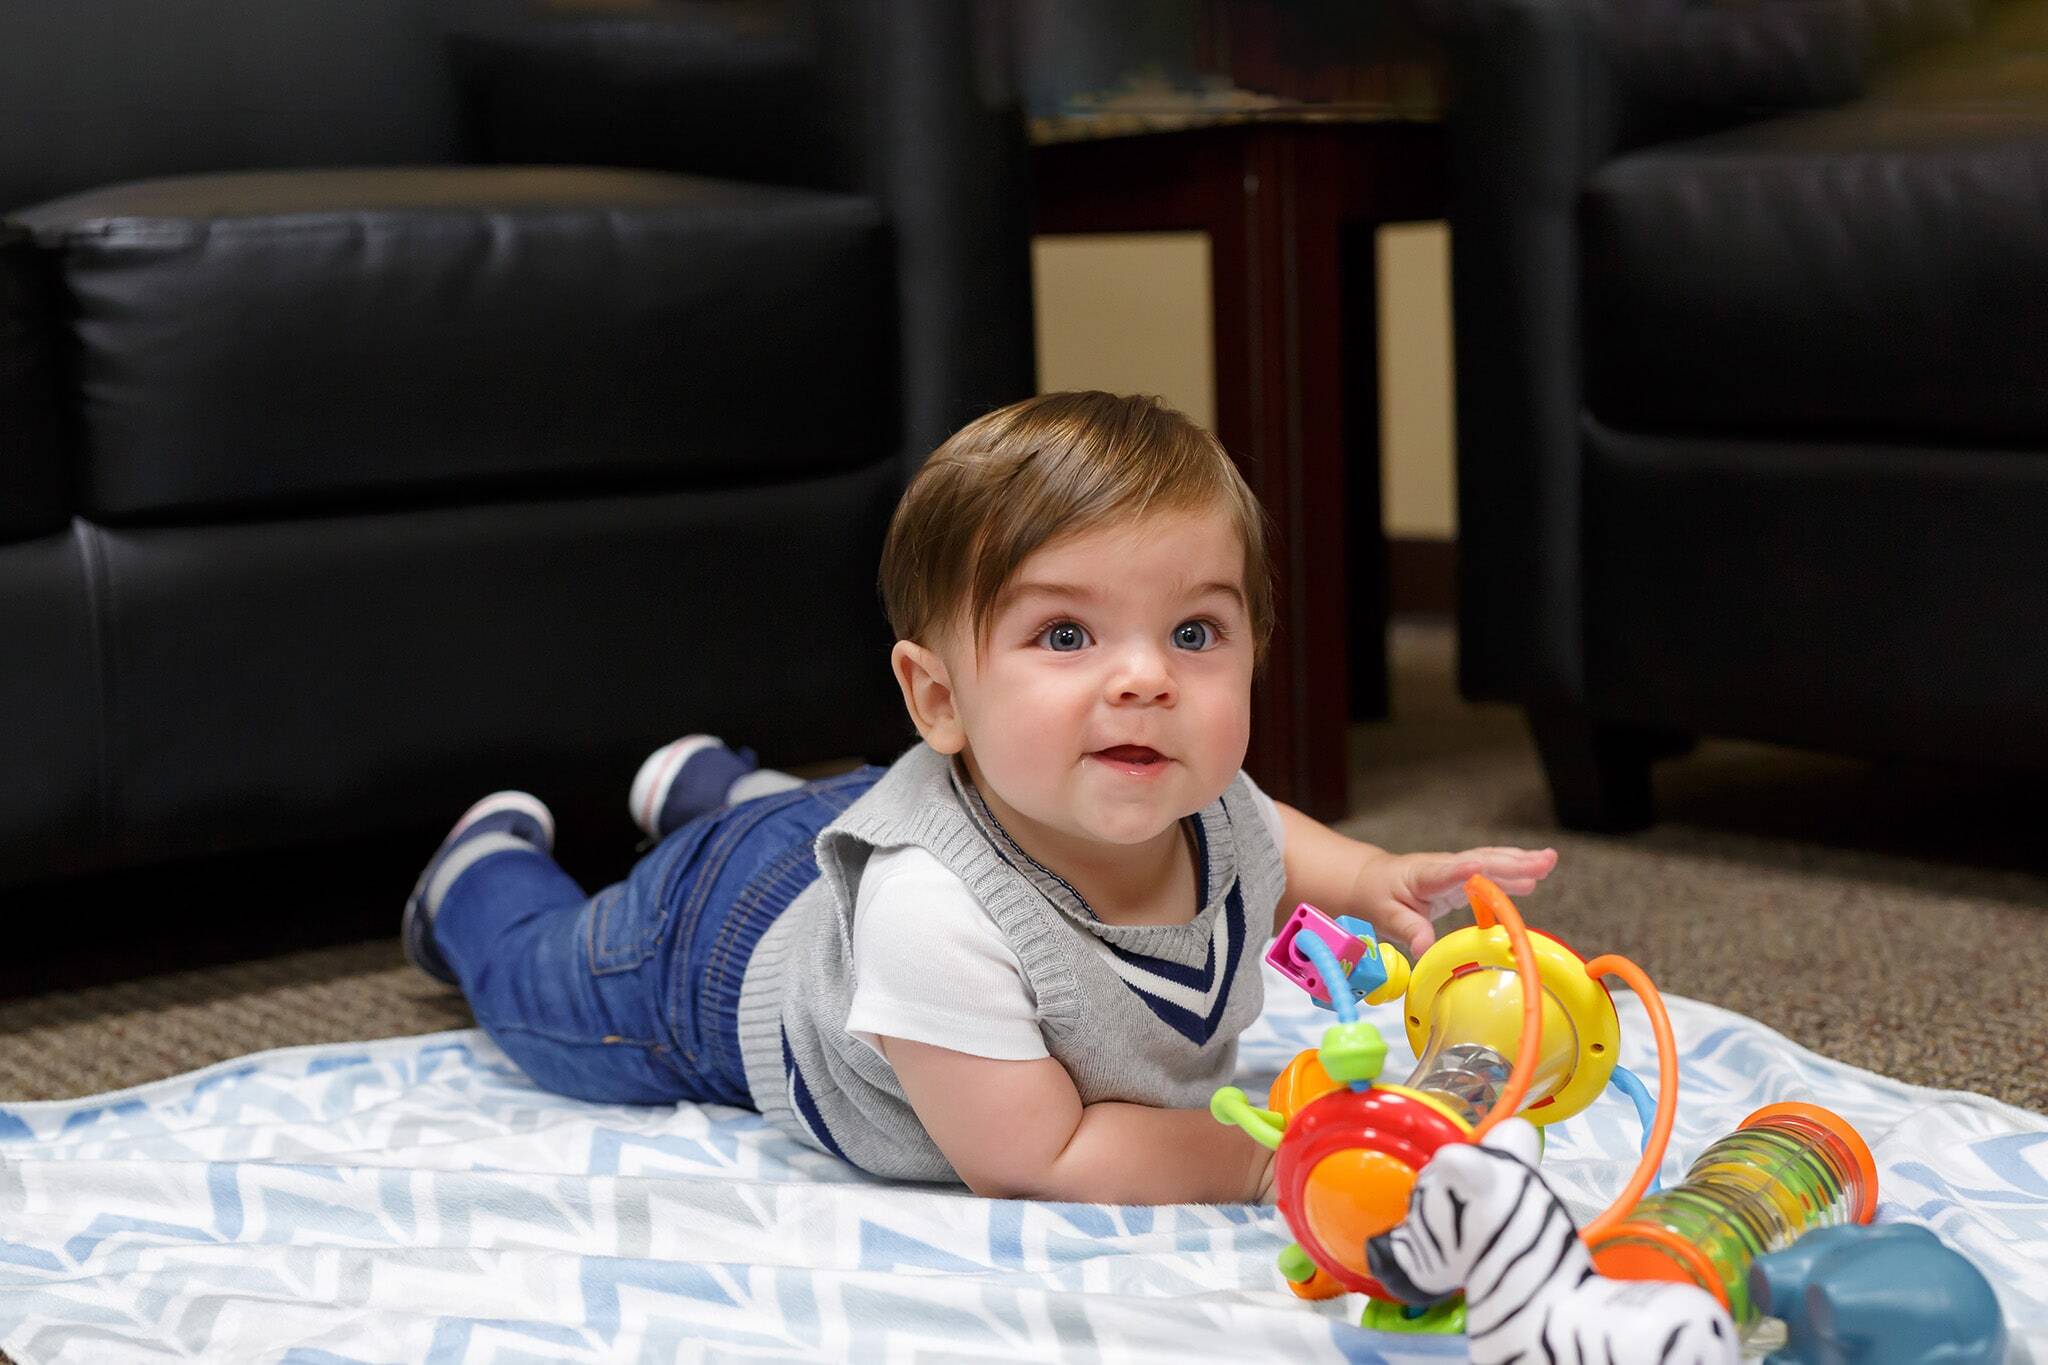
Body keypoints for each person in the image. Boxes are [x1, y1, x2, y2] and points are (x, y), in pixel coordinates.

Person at [401, 391, 1558, 1204]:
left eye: (1194, 631)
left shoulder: (1178, 792)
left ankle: (717, 788)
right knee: (544, 992)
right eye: (1065, 632)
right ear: (937, 697)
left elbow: (1267, 831)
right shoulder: (930, 918)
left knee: (822, 820)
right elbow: (1037, 1154)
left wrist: (1370, 878)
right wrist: (1261, 1162)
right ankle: (481, 870)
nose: (1147, 676)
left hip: (878, 812)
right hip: (709, 954)